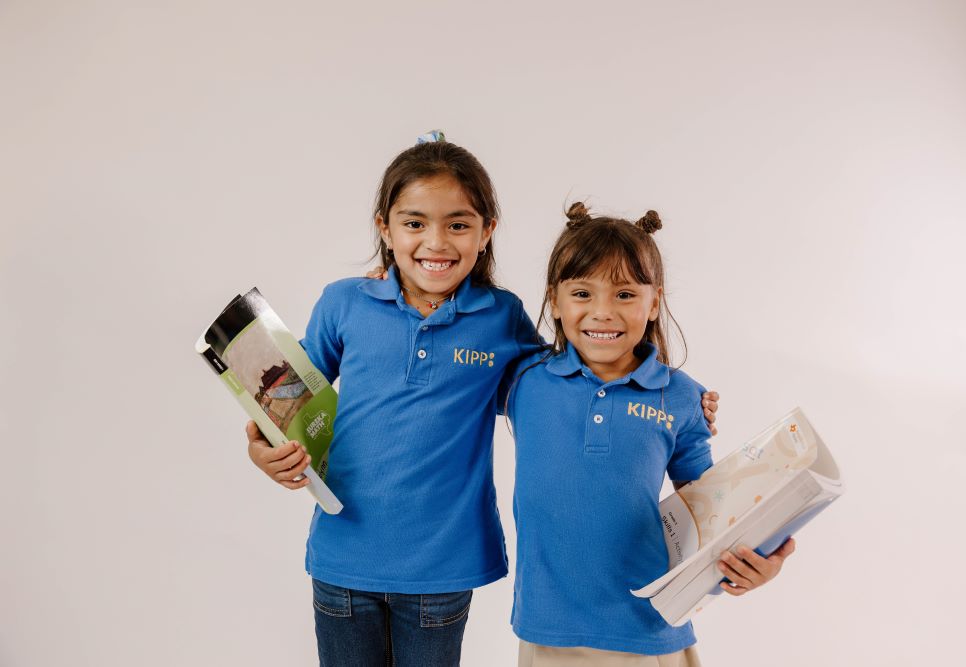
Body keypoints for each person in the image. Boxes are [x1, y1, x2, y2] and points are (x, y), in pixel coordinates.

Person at [244, 134, 720, 666]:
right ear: (385, 226)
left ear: (487, 230)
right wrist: (265, 449)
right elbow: (290, 398)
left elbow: (573, 371)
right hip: (341, 558)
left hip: (443, 569)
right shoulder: (342, 303)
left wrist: (677, 400)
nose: (436, 242)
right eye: (415, 223)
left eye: (458, 224)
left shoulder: (500, 317)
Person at [505, 203, 795, 667]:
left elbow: (710, 508)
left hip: (649, 630)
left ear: (654, 301)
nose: (602, 313)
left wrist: (760, 559)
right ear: (554, 301)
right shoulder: (524, 379)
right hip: (549, 632)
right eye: (582, 293)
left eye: (624, 295)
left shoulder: (680, 397)